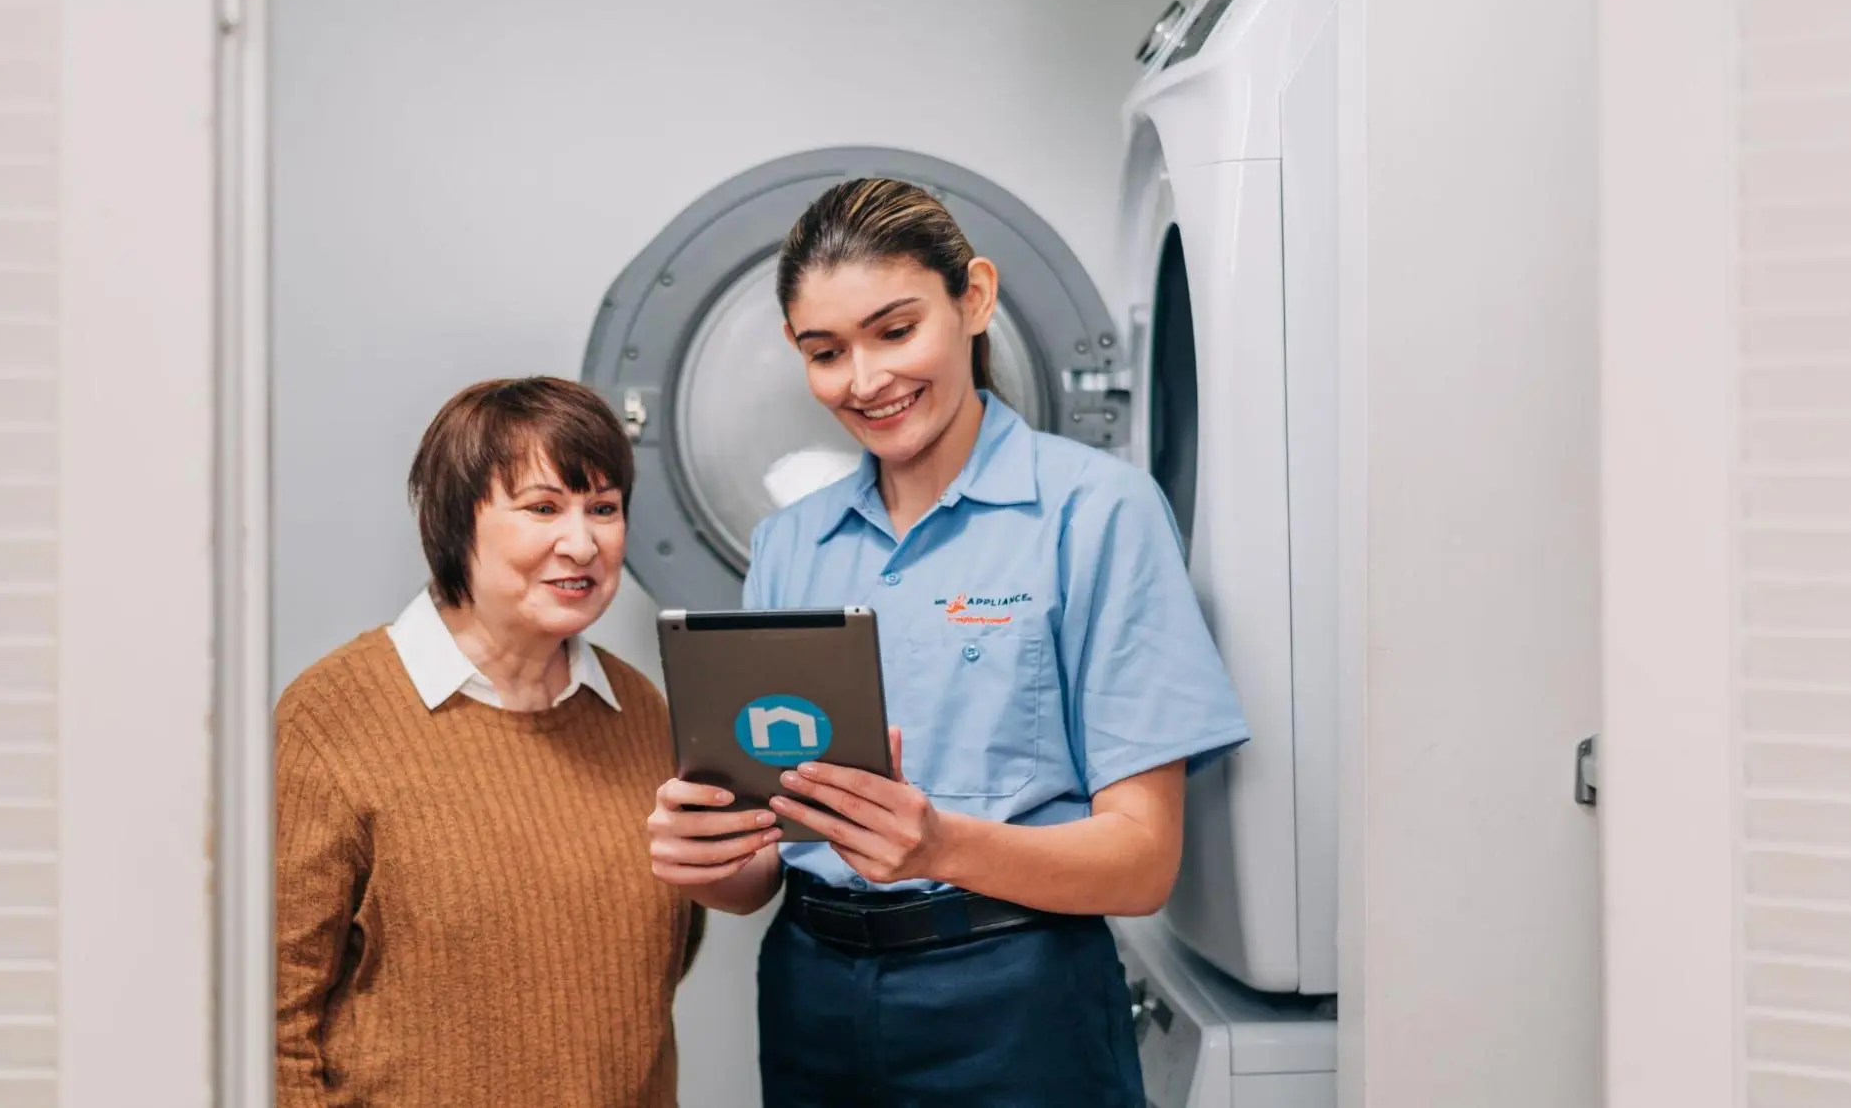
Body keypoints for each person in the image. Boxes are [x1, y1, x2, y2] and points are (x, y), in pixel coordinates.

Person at [647, 179, 1251, 1106]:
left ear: (973, 297)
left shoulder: (1096, 513)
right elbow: (766, 865)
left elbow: (1140, 863)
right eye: (826, 351)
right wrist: (718, 863)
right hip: (811, 992)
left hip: (1021, 994)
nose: (864, 380)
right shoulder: (787, 546)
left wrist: (937, 845)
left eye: (895, 331)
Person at [275, 376, 702, 1108]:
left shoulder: (640, 710)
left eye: (603, 507)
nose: (583, 541)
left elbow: (646, 975)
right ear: (454, 522)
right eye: (542, 507)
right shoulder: (330, 716)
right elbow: (275, 1018)